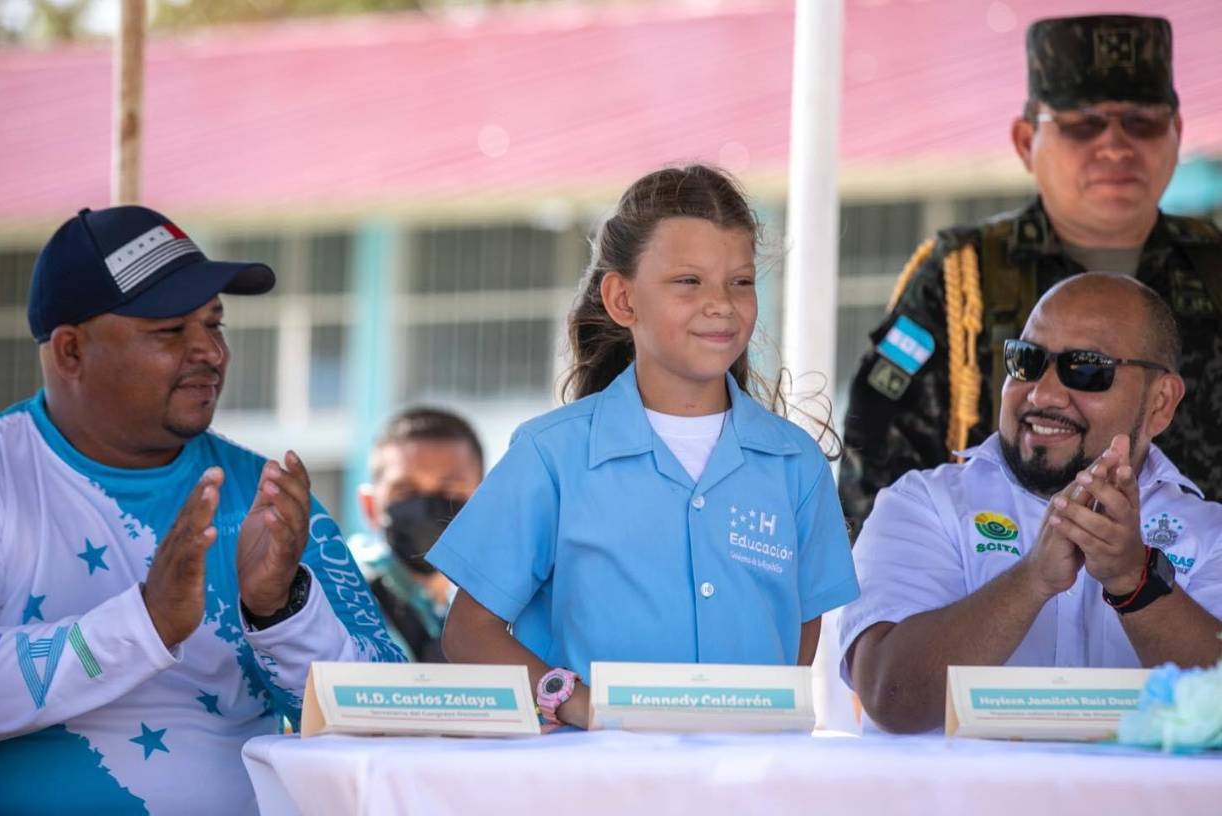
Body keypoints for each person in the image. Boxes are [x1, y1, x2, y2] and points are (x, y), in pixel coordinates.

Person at [0, 206, 402, 814]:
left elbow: (392, 714)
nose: (209, 351)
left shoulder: (268, 499)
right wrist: (143, 624)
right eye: (169, 331)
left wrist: (283, 610)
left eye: (215, 324)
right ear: (72, 351)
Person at [427, 164, 859, 729]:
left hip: (748, 782)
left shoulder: (795, 463)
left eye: (741, 281)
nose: (721, 305)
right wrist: (576, 704)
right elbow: (468, 632)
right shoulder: (550, 455)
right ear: (623, 299)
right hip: (595, 782)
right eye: (688, 282)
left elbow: (801, 624)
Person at [838, 14, 1222, 539]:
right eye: (1082, 124)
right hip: (993, 593)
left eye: (1143, 122)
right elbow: (876, 461)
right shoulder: (962, 277)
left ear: (1177, 133)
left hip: (1194, 601)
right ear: (1024, 141)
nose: (1115, 146)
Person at [840, 273, 1222, 734]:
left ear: (1161, 403)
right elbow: (889, 696)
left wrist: (1135, 580)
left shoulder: (1211, 535)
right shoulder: (923, 504)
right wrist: (1033, 577)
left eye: (1086, 368)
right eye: (1027, 361)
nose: (1043, 394)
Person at [354, 407, 484, 662]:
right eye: (406, 492)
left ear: (485, 503)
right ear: (370, 506)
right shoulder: (341, 599)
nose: (425, 509)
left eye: (450, 493)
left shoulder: (508, 613)